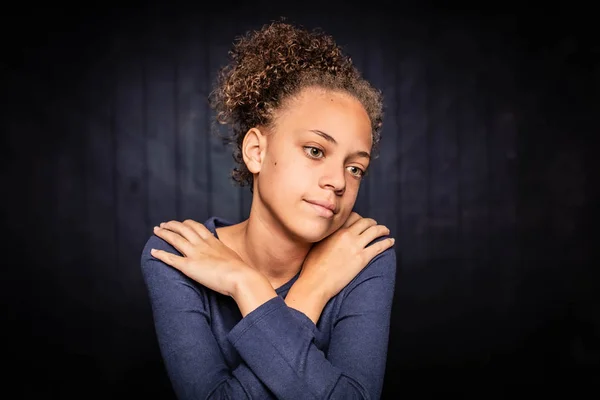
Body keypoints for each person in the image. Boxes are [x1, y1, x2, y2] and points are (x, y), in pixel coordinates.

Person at [140, 20, 396, 400]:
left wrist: (269, 288)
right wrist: (293, 292)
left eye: (354, 167)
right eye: (315, 150)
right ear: (257, 151)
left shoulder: (363, 255)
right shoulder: (178, 256)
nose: (339, 182)